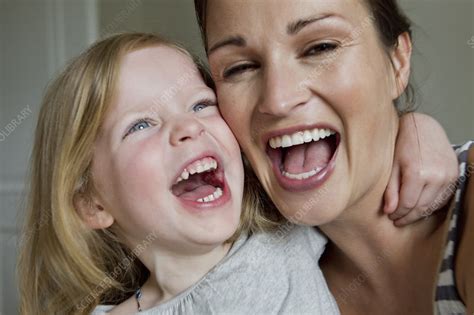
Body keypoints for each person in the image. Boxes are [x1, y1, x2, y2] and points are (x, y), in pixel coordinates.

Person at [18, 30, 459, 314]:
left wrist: (418, 131)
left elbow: (358, 162)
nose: (187, 128)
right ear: (92, 203)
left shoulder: (282, 226)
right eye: (141, 124)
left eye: (200, 105)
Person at [195, 0, 474, 313]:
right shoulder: (268, 287)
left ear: (397, 62)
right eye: (239, 68)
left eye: (320, 47)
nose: (278, 99)